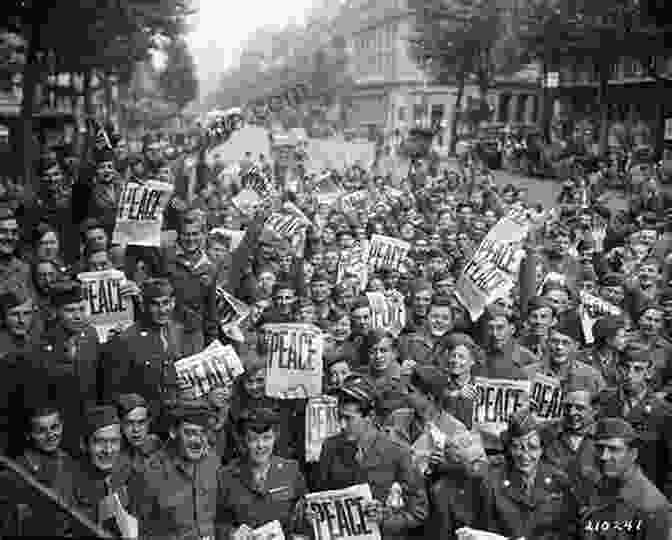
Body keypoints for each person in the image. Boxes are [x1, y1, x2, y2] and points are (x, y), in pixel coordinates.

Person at [128, 397, 220, 540]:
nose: (198, 441)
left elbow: (222, 518)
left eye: (203, 433)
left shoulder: (213, 462)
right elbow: (138, 533)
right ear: (173, 432)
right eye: (190, 433)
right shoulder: (149, 474)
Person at [480, 408, 578, 539]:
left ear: (542, 449)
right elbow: (487, 532)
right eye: (517, 447)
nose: (525, 455)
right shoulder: (493, 482)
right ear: (509, 449)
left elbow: (569, 530)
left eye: (532, 447)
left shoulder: (559, 481)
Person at [216, 408, 308, 539]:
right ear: (243, 440)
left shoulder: (291, 471)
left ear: (275, 437)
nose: (260, 445)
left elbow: (303, 519)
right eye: (253, 439)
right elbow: (218, 523)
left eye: (267, 438)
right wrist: (231, 533)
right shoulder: (226, 475)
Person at [575, 418, 672, 540]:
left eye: (614, 449)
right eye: (600, 448)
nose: (604, 456)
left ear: (633, 454)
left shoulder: (651, 507)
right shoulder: (596, 487)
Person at [115, 393, 162, 473]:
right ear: (120, 423)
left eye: (141, 422)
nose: (136, 429)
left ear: (148, 422)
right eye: (129, 423)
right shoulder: (111, 452)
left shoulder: (155, 444)